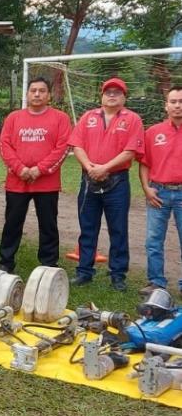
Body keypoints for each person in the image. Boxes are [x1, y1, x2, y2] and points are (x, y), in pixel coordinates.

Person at [68, 77, 144, 292]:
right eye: (108, 91)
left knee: (118, 229)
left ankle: (118, 275)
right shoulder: (88, 117)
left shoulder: (133, 119)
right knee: (87, 227)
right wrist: (91, 167)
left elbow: (130, 151)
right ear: (101, 96)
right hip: (88, 178)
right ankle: (84, 271)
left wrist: (104, 168)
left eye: (117, 92)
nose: (112, 95)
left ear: (124, 97)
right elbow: (76, 145)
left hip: (117, 180)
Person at [0, 77, 72, 272]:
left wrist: (40, 169)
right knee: (12, 223)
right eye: (33, 90)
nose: (37, 94)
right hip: (17, 181)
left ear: (49, 95)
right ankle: (6, 262)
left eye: (41, 91)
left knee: (48, 224)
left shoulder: (61, 118)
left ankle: (48, 264)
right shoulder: (13, 117)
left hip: (46, 183)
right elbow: (4, 145)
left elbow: (63, 147)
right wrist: (20, 169)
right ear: (27, 94)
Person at [138, 85, 182, 297]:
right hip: (158, 192)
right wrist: (147, 188)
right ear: (166, 106)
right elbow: (145, 163)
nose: (177, 106)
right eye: (173, 101)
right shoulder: (153, 132)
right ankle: (156, 282)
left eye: (181, 102)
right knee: (153, 240)